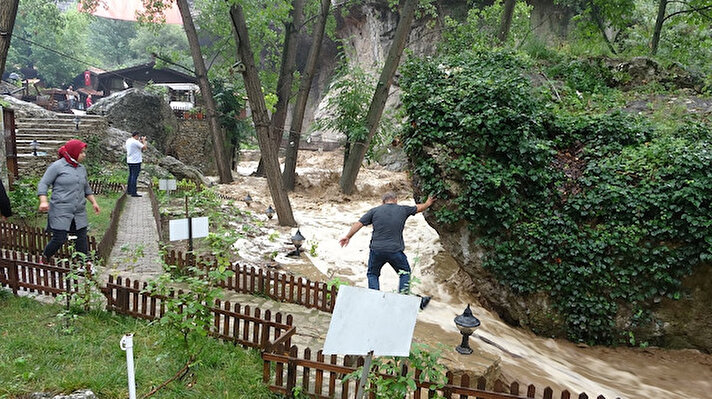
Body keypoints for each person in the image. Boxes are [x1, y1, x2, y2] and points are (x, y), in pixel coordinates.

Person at [340, 192, 435, 309]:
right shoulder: (403, 209)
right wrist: (428, 203)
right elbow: (419, 208)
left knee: (373, 274)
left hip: (376, 250)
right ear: (395, 200)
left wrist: (348, 236)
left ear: (383, 201)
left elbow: (359, 224)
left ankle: (375, 300)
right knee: (405, 273)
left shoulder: (374, 211)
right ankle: (403, 299)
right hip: (395, 251)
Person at [37, 139, 100, 261]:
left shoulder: (81, 168)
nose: (84, 155)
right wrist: (43, 201)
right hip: (61, 210)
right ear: (73, 152)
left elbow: (86, 188)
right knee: (59, 238)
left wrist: (94, 202)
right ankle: (45, 258)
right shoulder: (57, 166)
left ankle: (84, 265)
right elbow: (43, 183)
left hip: (79, 210)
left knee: (81, 238)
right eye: (81, 152)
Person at [125, 132, 147, 197]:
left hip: (129, 160)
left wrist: (139, 141)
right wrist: (144, 141)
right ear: (136, 136)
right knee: (134, 177)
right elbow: (144, 148)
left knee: (131, 175)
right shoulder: (135, 142)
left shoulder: (128, 140)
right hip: (136, 161)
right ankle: (134, 192)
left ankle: (129, 190)